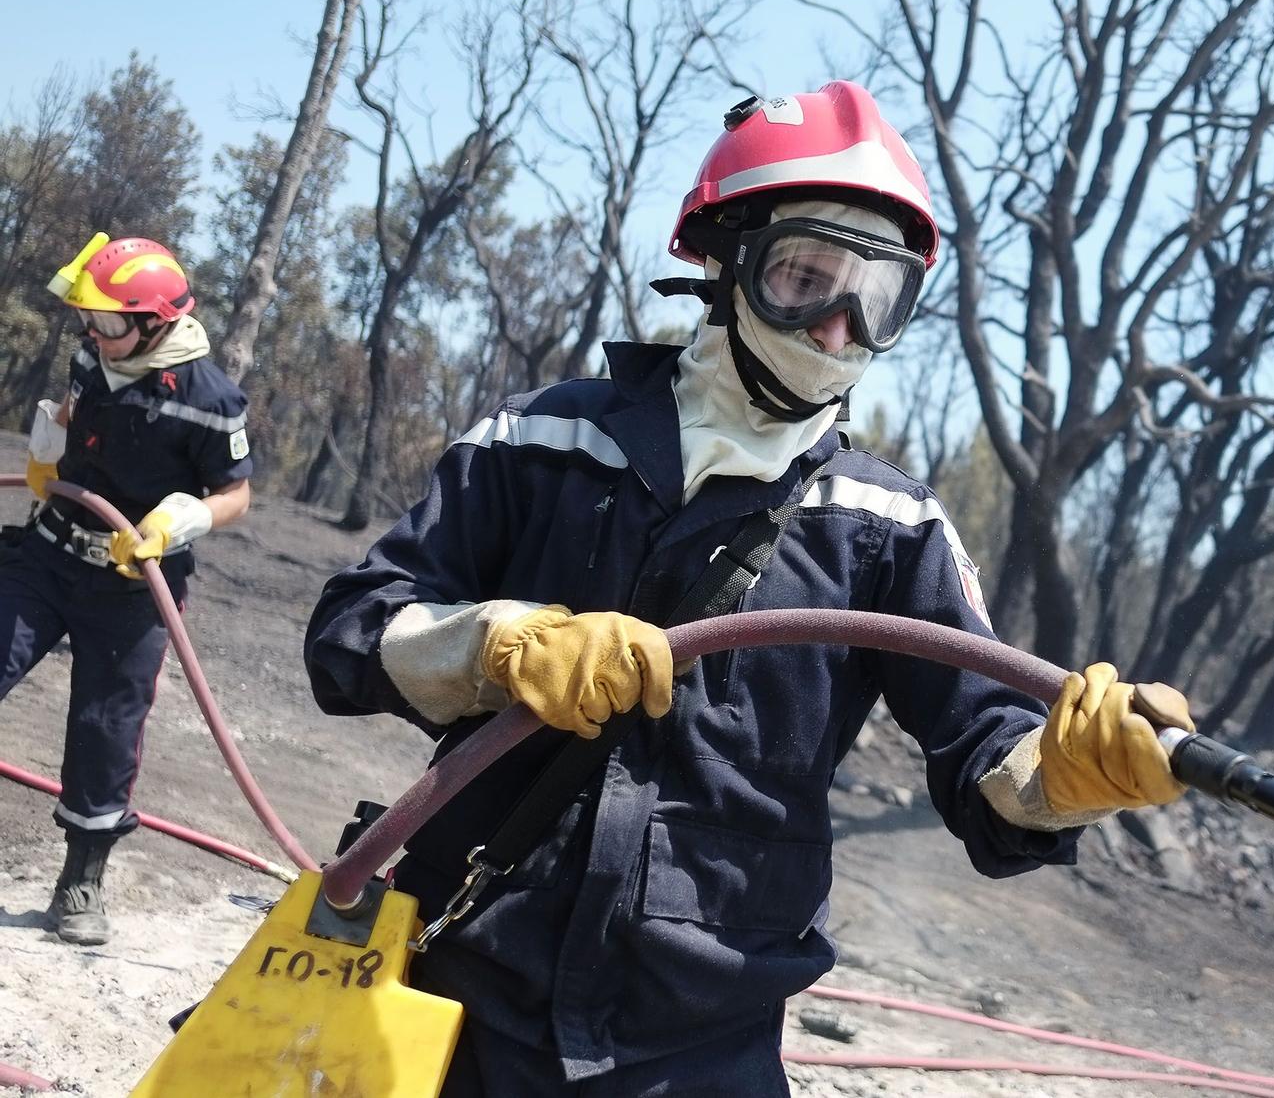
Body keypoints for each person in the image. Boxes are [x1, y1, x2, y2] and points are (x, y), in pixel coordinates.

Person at [305, 81, 1196, 1096]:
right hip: (457, 995)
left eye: (875, 300)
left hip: (700, 1044)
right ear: (725, 262)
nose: (833, 329)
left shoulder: (889, 530)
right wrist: (499, 644)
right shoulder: (542, 444)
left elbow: (988, 767)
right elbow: (349, 634)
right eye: (806, 277)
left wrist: (1062, 779)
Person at [1, 234, 254, 945]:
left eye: (111, 323)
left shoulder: (211, 399)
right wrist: (48, 446)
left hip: (133, 585)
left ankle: (81, 878)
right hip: (49, 554)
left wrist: (188, 516)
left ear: (155, 322)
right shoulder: (92, 358)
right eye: (92, 321)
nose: (95, 334)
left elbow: (237, 493)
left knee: (104, 731)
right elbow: (73, 416)